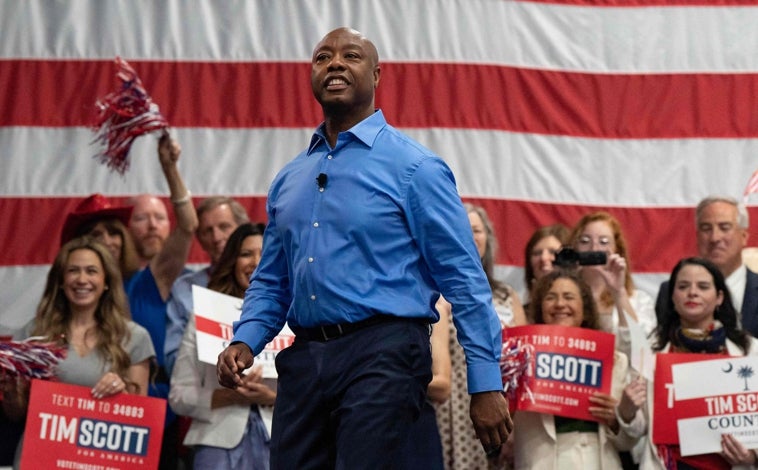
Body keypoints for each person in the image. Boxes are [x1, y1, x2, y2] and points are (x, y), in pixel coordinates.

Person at [217, 27, 511, 469]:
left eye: (350, 55)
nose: (334, 63)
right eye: (322, 58)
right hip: (305, 357)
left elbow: (465, 279)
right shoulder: (290, 178)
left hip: (385, 351)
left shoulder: (416, 169)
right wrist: (247, 338)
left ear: (376, 75)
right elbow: (273, 280)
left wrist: (486, 383)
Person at [4, 236, 155, 468]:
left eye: (91, 271)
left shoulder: (135, 337)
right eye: (73, 270)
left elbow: (139, 418)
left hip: (100, 459)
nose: (82, 279)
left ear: (106, 281)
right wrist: (12, 395)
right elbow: (17, 414)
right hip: (41, 457)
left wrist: (122, 392)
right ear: (61, 281)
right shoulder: (34, 333)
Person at [513, 269, 644, 469]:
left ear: (584, 309)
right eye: (550, 297)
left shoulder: (614, 361)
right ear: (540, 308)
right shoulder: (519, 356)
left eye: (569, 297)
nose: (560, 304)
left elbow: (629, 442)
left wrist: (619, 417)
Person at [170, 223, 275, 470]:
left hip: (281, 441)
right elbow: (178, 396)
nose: (256, 263)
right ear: (231, 262)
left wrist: (272, 398)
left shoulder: (296, 318)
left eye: (265, 254)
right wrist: (226, 395)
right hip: (216, 445)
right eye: (246, 254)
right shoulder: (204, 314)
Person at [638, 257, 758, 469]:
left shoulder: (750, 351)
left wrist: (753, 458)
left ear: (719, 297)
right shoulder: (650, 352)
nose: (692, 293)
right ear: (672, 297)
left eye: (703, 287)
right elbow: (634, 431)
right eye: (683, 286)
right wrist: (627, 410)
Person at [436, 202, 525, 470]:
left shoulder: (507, 296)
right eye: (461, 229)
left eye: (476, 230)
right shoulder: (432, 293)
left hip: (505, 411)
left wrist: (517, 428)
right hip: (449, 414)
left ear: (488, 238)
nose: (470, 236)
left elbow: (524, 369)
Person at [164, 196, 249, 375]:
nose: (216, 237)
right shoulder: (185, 289)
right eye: (207, 231)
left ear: (242, 231)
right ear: (200, 240)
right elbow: (172, 360)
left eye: (224, 227)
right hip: (205, 388)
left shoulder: (271, 285)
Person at [655, 196, 758, 337]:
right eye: (706, 228)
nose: (715, 238)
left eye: (724, 228)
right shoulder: (670, 291)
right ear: (697, 237)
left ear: (744, 236)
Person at [569, 211, 657, 358]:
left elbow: (640, 352)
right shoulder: (563, 296)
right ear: (575, 248)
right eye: (585, 241)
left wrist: (619, 293)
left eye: (603, 242)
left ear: (617, 250)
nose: (594, 248)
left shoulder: (639, 300)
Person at [60, 193, 141, 282]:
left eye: (113, 233)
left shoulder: (141, 285)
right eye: (96, 236)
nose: (107, 242)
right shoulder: (73, 289)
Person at [523, 223, 570, 311]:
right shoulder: (520, 314)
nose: (544, 258)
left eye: (552, 252)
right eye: (537, 253)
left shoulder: (584, 312)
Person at [129, 193, 172, 267]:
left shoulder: (186, 278)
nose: (153, 225)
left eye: (160, 218)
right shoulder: (110, 277)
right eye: (141, 218)